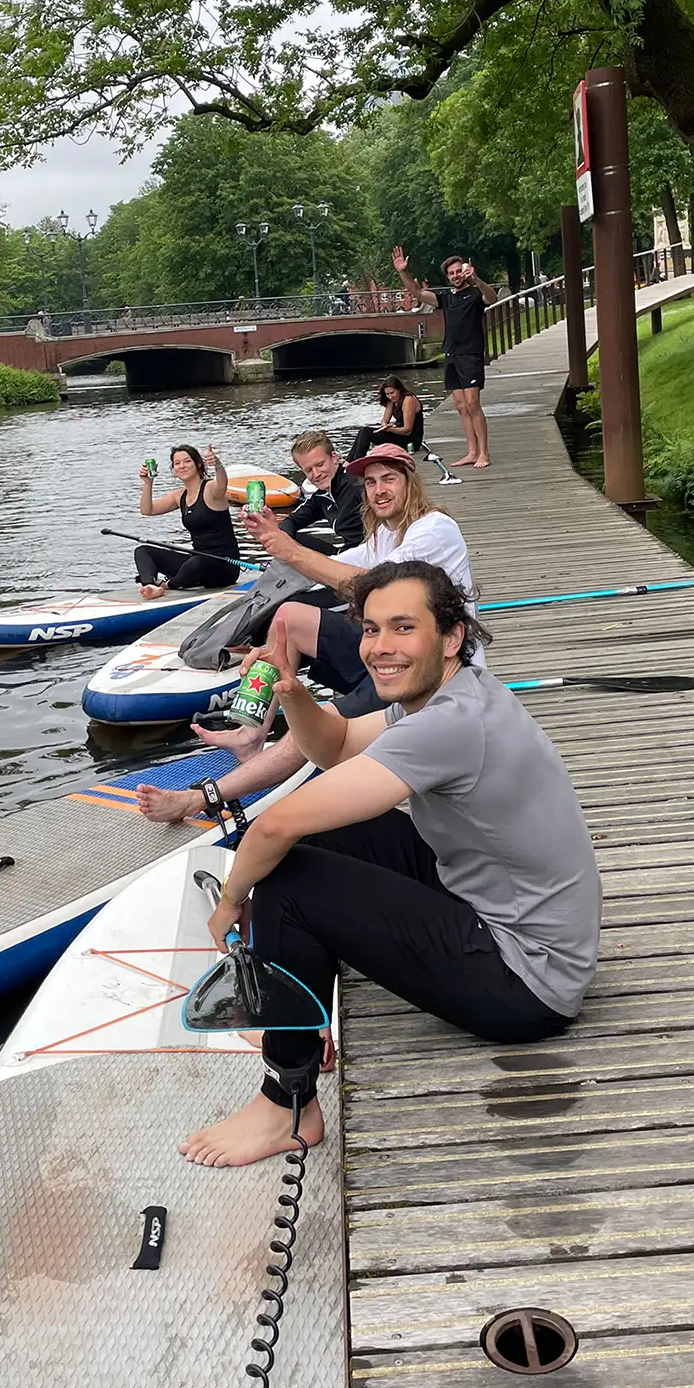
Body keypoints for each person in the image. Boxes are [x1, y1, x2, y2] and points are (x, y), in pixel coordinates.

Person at [177, 560, 601, 1166]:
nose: (380, 647)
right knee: (329, 833)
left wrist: (229, 901)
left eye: (404, 628)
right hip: (510, 915)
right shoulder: (448, 692)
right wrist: (290, 692)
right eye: (372, 629)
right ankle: (300, 1008)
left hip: (528, 981)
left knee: (285, 873)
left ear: (451, 636)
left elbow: (274, 824)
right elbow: (336, 747)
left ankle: (286, 1104)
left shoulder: (450, 724)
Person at [135, 445, 472, 824]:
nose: (378, 490)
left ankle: (199, 798)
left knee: (317, 724)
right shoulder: (384, 536)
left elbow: (374, 584)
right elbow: (331, 567)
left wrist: (289, 549)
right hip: (388, 651)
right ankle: (250, 732)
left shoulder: (434, 528)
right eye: (371, 482)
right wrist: (276, 540)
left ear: (411, 483)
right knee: (288, 616)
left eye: (389, 479)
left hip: (431, 674)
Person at [392, 246, 497, 467]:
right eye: (451, 273)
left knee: (472, 403)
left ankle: (484, 453)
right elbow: (418, 294)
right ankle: (471, 451)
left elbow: (493, 298)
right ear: (448, 277)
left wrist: (477, 279)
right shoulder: (446, 298)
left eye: (458, 271)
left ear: (465, 271)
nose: (455, 276)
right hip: (451, 354)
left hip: (471, 354)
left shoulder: (476, 293)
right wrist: (403, 272)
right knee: (460, 405)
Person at [133, 442, 242, 599]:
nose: (182, 466)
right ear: (174, 470)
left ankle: (166, 585)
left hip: (224, 566)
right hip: (196, 559)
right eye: (177, 463)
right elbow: (147, 510)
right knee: (143, 551)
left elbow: (222, 484)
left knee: (196, 563)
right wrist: (148, 483)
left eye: (187, 461)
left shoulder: (210, 489)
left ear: (198, 464)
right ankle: (149, 584)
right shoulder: (179, 496)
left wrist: (217, 465)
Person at [278, 430, 365, 551]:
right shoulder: (322, 497)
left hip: (371, 559)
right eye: (308, 470)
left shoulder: (357, 485)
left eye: (320, 464)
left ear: (334, 458)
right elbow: (291, 521)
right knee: (288, 539)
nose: (316, 474)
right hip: (346, 555)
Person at [346, 374, 423, 463]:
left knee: (366, 433)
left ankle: (357, 462)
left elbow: (407, 430)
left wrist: (390, 429)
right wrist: (384, 425)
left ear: (399, 390)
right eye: (387, 394)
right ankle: (347, 463)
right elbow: (385, 419)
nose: (390, 396)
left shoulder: (408, 400)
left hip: (411, 440)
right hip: (399, 434)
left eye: (392, 393)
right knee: (363, 431)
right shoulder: (391, 401)